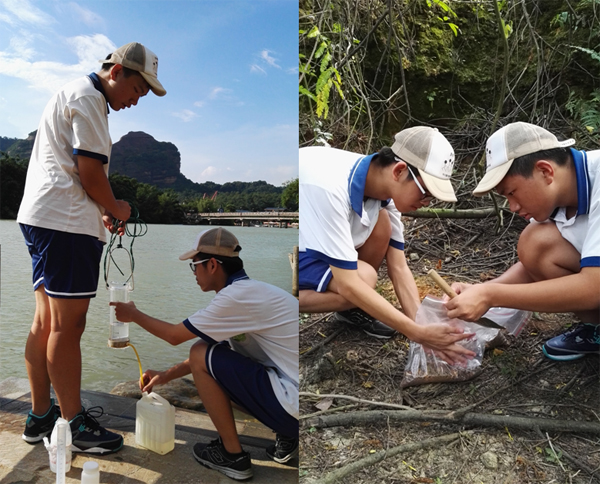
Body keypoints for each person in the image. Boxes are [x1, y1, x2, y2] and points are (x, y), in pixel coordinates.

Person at [16, 42, 166, 453]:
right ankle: (72, 423)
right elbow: (89, 169)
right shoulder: (90, 98)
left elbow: (75, 169)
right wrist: (116, 206)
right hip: (64, 226)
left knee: (45, 322)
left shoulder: (73, 93)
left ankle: (41, 416)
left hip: (45, 217)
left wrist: (101, 208)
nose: (137, 100)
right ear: (117, 72)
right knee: (69, 326)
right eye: (138, 89)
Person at [111, 228, 299, 481]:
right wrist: (166, 375)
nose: (194, 274)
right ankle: (286, 434)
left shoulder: (237, 297)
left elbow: (176, 337)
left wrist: (134, 315)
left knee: (200, 351)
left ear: (212, 265)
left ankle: (232, 456)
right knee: (211, 357)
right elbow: (211, 359)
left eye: (194, 265)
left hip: (295, 405)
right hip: (298, 400)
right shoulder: (250, 292)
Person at [299, 126, 475, 362]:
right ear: (400, 170)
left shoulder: (383, 190)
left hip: (316, 239)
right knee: (364, 278)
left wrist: (421, 324)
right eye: (426, 193)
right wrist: (416, 333)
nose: (426, 202)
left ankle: (351, 310)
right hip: (291, 249)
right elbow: (349, 284)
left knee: (382, 224)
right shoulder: (329, 187)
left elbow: (399, 267)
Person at [445, 122, 600, 361]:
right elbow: (533, 262)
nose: (513, 206)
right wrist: (480, 290)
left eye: (512, 192)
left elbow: (593, 288)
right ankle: (596, 331)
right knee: (536, 241)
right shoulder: (561, 195)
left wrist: (491, 295)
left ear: (545, 171)